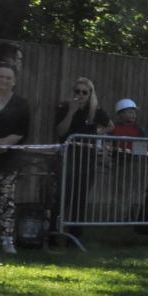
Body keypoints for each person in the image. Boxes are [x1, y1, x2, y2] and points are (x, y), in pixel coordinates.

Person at [55, 77, 112, 242]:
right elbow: (60, 131)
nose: (80, 95)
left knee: (80, 197)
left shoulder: (95, 110)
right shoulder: (64, 107)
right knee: (62, 196)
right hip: (68, 157)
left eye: (84, 92)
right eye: (77, 91)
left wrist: (94, 135)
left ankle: (75, 236)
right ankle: (55, 234)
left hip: (87, 159)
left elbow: (110, 125)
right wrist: (71, 112)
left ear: (90, 94)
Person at [0, 51, 30, 255]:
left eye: (8, 78)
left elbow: (22, 131)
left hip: (8, 159)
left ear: (14, 82)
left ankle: (7, 239)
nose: (4, 81)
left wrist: (3, 144)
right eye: (1, 77)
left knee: (6, 200)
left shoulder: (21, 103)